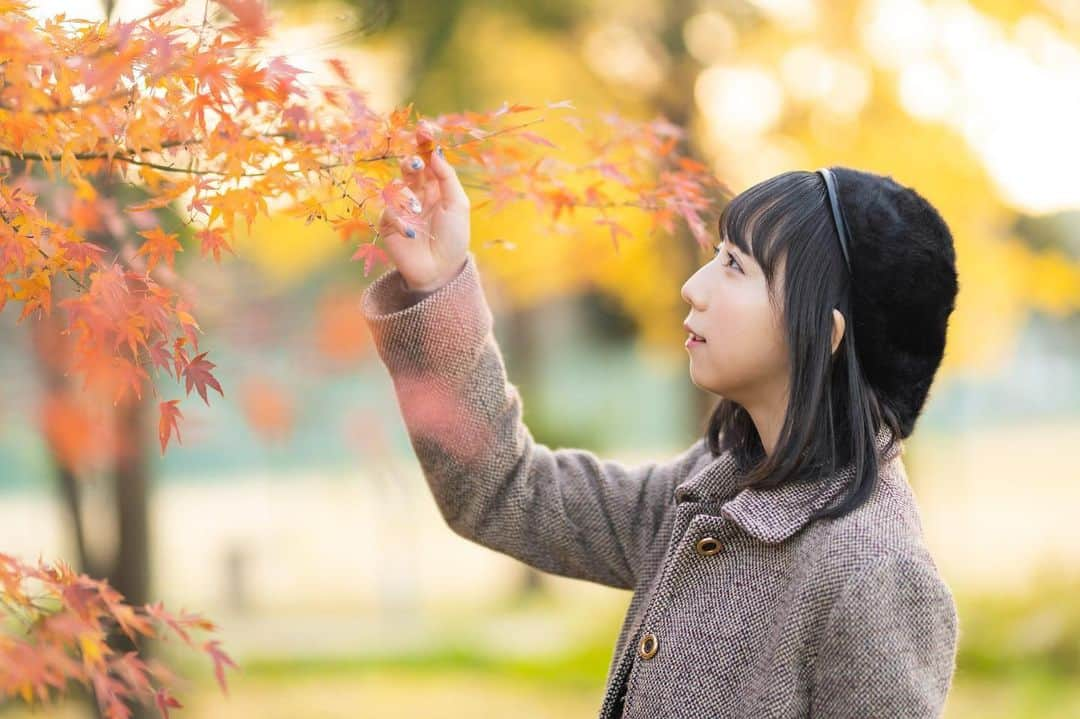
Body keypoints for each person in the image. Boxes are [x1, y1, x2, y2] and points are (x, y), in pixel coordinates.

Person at [360, 139, 960, 718]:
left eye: (733, 265)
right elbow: (507, 491)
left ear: (822, 336)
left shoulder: (873, 574)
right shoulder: (709, 492)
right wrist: (437, 287)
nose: (692, 287)